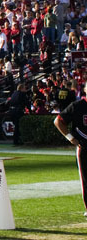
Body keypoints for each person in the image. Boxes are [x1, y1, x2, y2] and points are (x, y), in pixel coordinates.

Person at [53, 80, 87, 217]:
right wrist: (70, 138)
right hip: (85, 148)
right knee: (86, 180)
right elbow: (58, 121)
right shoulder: (77, 106)